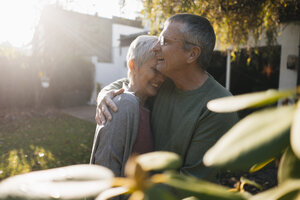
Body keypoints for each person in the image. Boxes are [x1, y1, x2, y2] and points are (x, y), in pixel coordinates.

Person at [96, 14, 239, 182]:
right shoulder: (164, 83)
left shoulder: (219, 108)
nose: (156, 47)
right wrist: (105, 94)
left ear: (192, 54)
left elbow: (190, 183)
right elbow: (131, 82)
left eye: (164, 41)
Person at [90, 35, 165, 177]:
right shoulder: (123, 105)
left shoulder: (149, 104)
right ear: (133, 66)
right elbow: (106, 170)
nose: (161, 78)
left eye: (163, 72)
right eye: (155, 70)